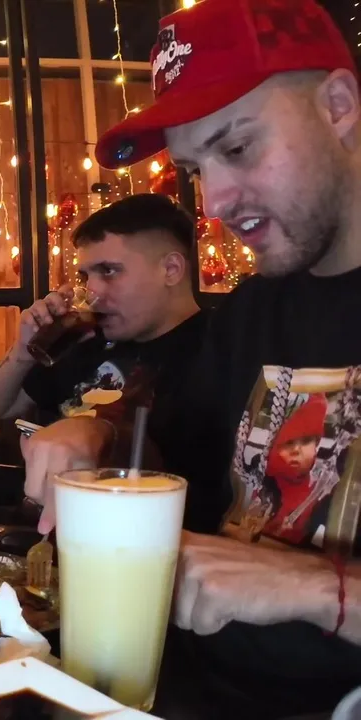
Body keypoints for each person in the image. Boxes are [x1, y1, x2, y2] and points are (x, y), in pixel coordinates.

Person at [23, 0, 361, 707]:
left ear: (338, 107)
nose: (215, 204)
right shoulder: (253, 311)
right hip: (174, 683)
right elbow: (174, 447)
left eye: (235, 148)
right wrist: (96, 433)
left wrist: (321, 589)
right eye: (194, 168)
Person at [0, 193, 205, 432]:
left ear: (171, 270)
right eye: (85, 276)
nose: (91, 290)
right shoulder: (87, 339)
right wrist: (23, 351)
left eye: (108, 271)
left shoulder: (216, 350)